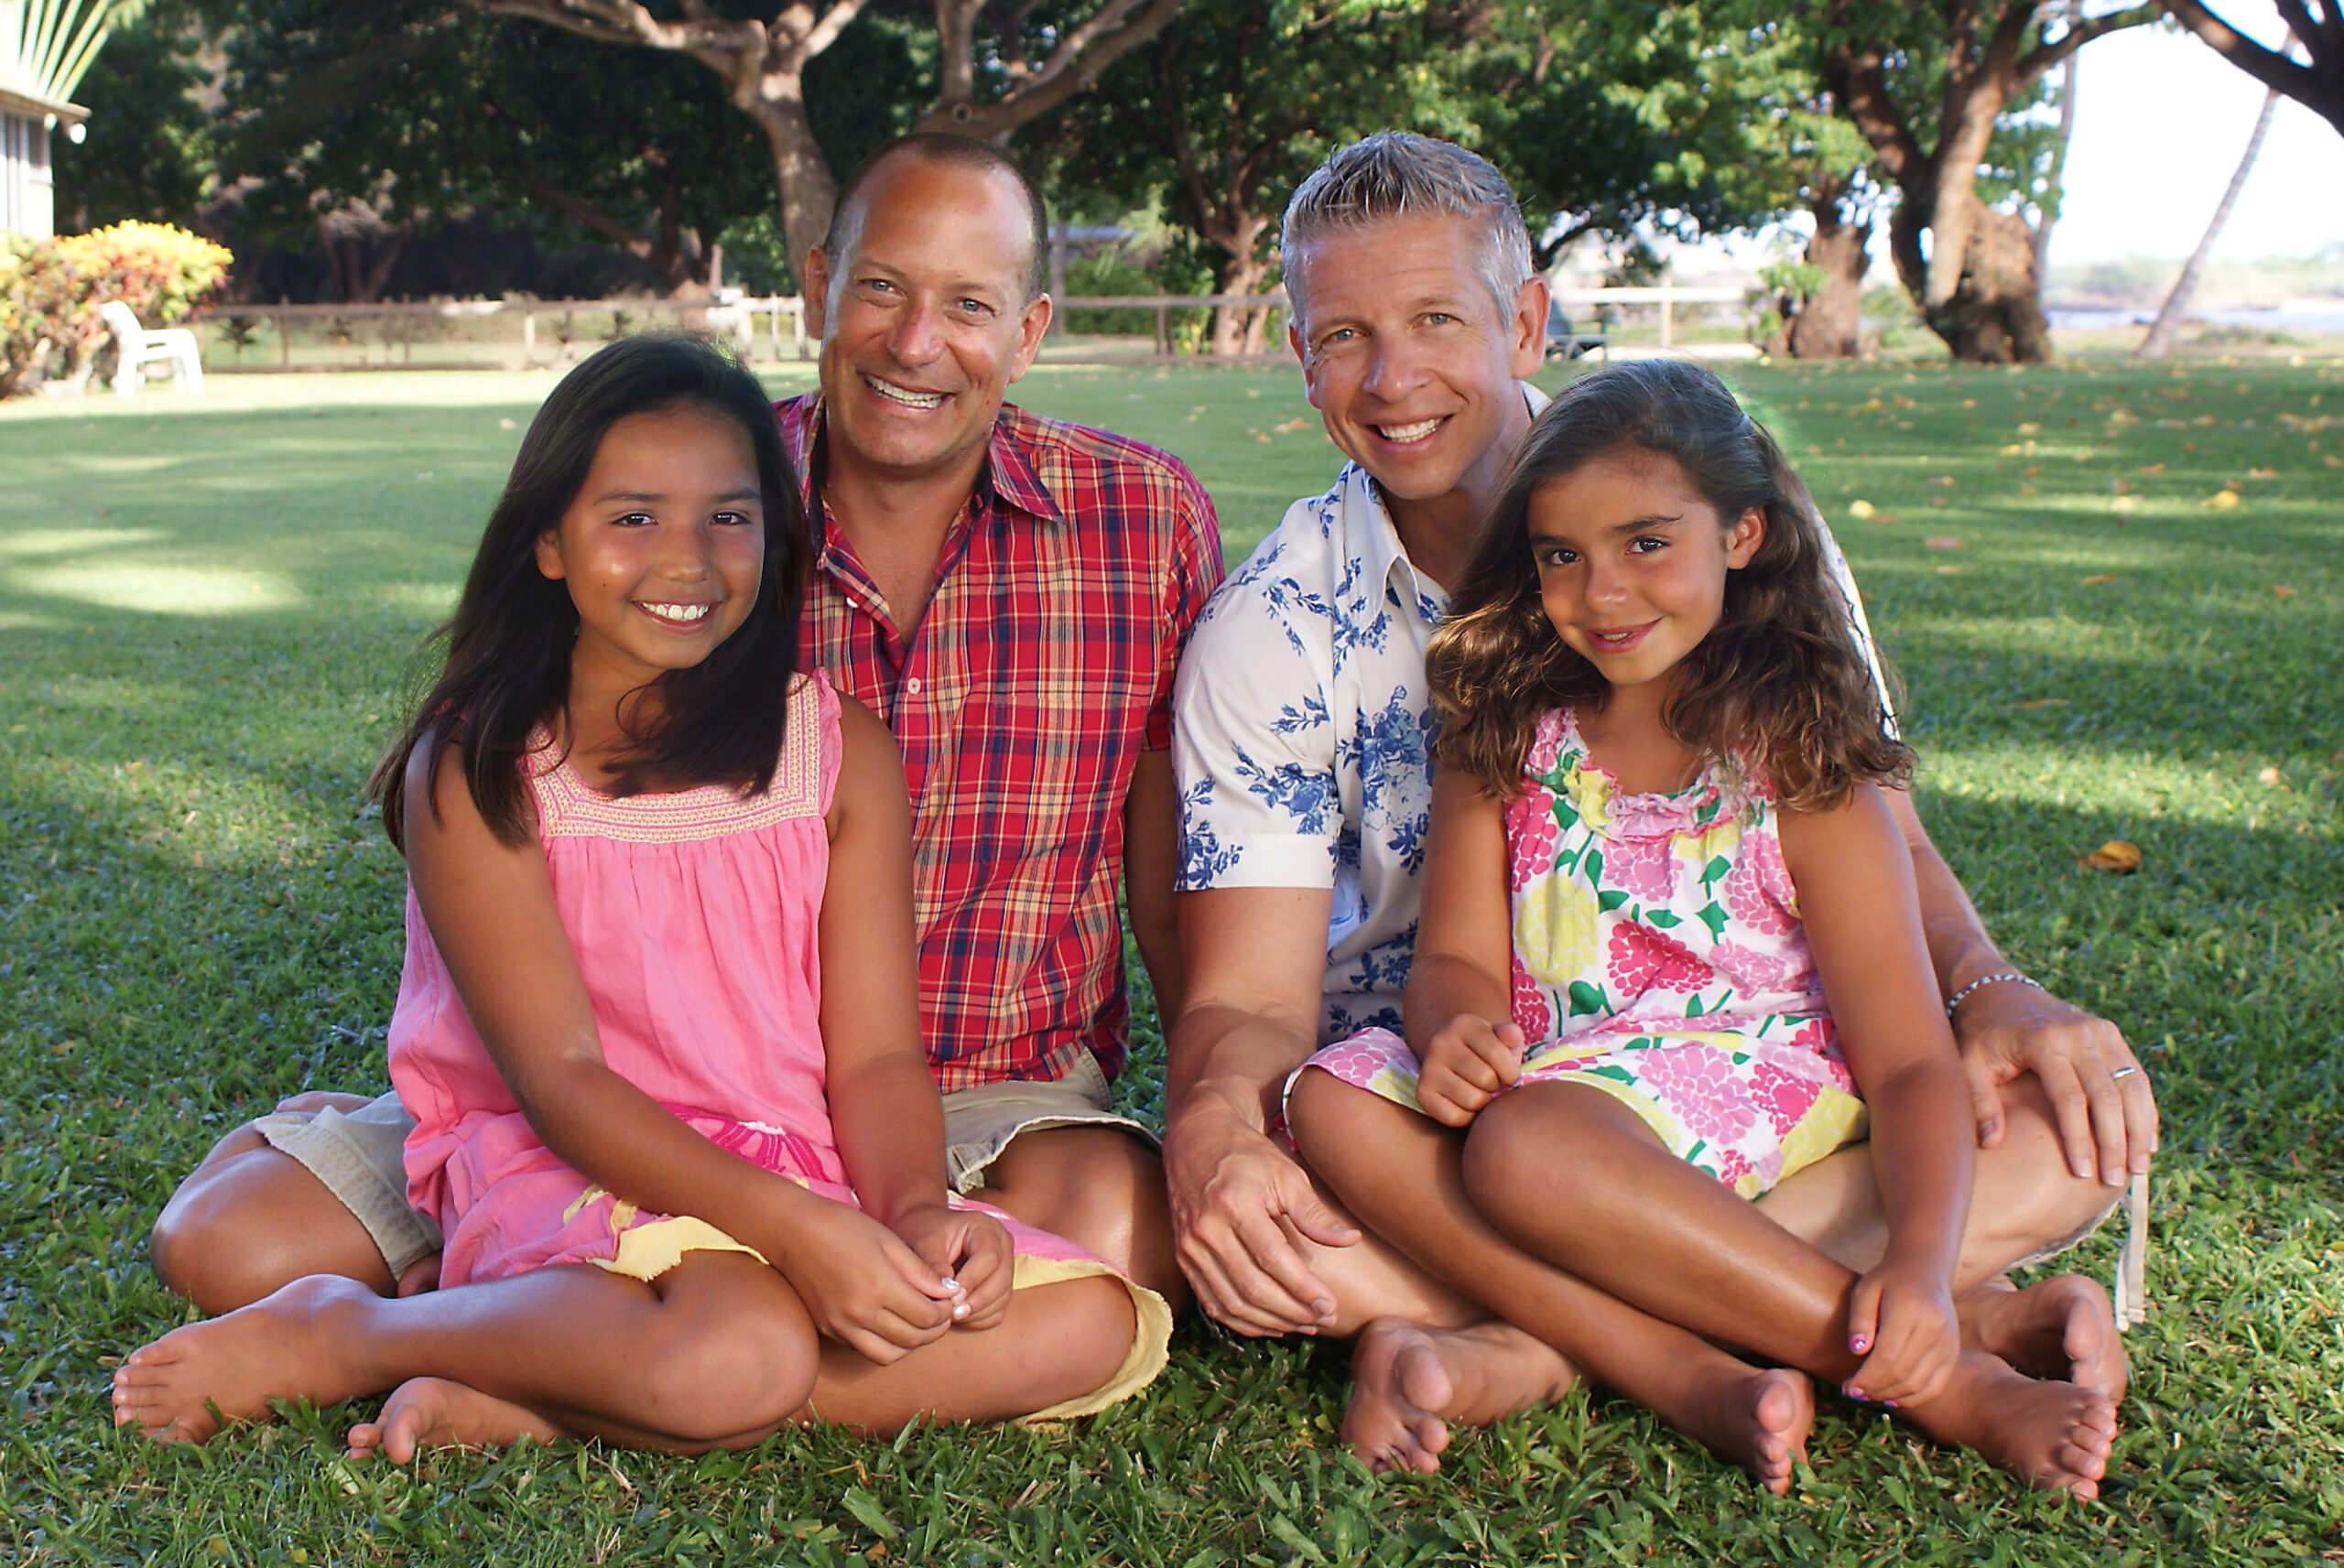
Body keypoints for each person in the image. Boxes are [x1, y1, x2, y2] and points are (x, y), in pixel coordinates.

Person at [1167, 132, 2156, 1477]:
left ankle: (1545, 1344)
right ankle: (1930, 1336)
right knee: (1319, 1161)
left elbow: (1884, 861)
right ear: (1297, 352)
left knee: (2075, 1133)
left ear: (1525, 319)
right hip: (1481, 1115)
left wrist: (1988, 985)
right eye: (1343, 335)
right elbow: (1259, 1007)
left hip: (1737, 1094)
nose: (1392, 380)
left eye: (1437, 321)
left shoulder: (1715, 511)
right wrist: (1228, 1130)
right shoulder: (1292, 636)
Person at [146, 133, 1219, 1317]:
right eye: (881, 289)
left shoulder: (1142, 519)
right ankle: (575, 1302)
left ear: (1029, 328)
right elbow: (523, 742)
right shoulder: (701, 483)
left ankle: (537, 1323)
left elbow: (1170, 868)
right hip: (611, 1085)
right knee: (231, 1249)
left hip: (971, 1089)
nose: (918, 343)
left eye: (969, 303)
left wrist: (1208, 1106)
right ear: (818, 285)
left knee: (1125, 1230)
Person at [111, 336, 1167, 1456]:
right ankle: (360, 1335)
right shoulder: (482, 768)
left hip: (784, 1158)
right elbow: (562, 1082)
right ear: (548, 544)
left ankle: (542, 1392)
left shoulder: (835, 749)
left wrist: (912, 1213)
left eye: (729, 516)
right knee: (743, 1343)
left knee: (1087, 1323)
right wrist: (801, 1238)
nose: (689, 561)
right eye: (632, 518)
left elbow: (872, 1059)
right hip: (571, 1156)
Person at [1289, 358, 2118, 1495]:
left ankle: (1709, 1360)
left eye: (1646, 544)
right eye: (1560, 556)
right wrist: (1456, 1026)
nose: (1602, 592)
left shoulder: (1802, 762)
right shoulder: (1500, 735)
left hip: (1753, 1096)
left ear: (1741, 536)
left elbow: (1913, 1059)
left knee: (1526, 1153)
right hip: (1564, 1083)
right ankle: (1811, 1356)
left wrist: (1922, 1266)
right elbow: (1449, 963)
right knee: (1327, 1100)